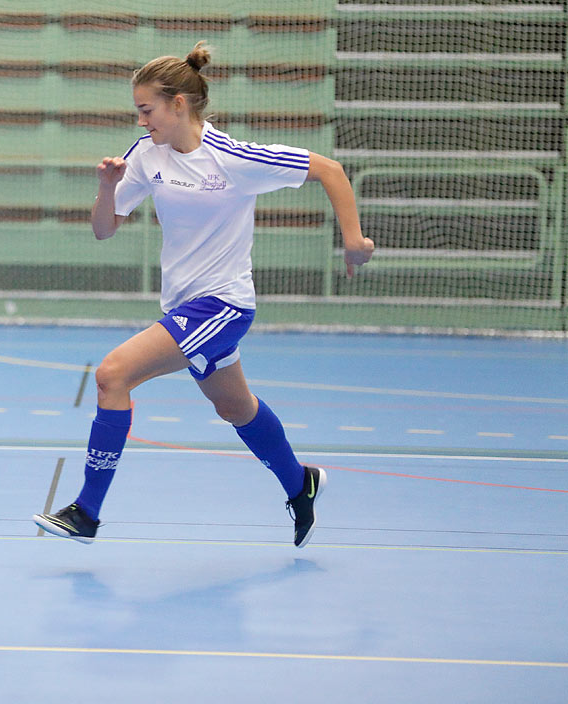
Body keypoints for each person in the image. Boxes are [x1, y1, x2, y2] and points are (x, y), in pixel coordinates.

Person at [34, 42, 374, 548]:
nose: (141, 120)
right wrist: (107, 188)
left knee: (112, 375)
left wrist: (352, 241)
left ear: (179, 104)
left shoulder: (232, 158)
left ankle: (86, 512)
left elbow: (330, 170)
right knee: (236, 409)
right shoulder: (145, 154)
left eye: (147, 109)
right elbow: (104, 230)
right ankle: (299, 483)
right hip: (183, 307)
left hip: (224, 305)